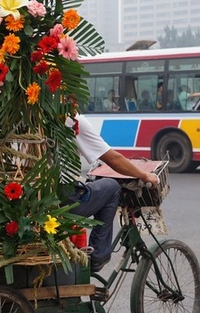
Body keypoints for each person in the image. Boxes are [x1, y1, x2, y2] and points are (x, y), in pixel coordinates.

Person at [66, 114, 161, 275]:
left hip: (40, 197)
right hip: (65, 199)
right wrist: (145, 176)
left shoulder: (36, 115)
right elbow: (113, 159)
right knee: (111, 187)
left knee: (91, 187)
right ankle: (98, 256)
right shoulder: (72, 120)